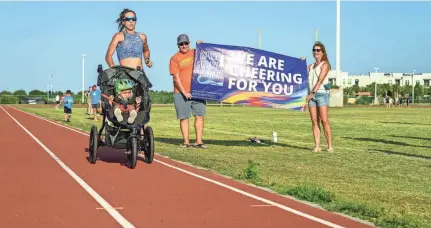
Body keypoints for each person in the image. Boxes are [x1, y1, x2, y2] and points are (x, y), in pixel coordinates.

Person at [169, 34, 207, 149]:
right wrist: (184, 92)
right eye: (181, 44)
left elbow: (208, 55)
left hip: (197, 91)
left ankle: (199, 141)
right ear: (178, 45)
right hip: (180, 93)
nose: (184, 45)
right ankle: (186, 142)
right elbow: (176, 78)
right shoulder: (174, 58)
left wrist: (202, 45)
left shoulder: (195, 52)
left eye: (186, 43)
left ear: (189, 43)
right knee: (184, 118)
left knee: (199, 116)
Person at [305, 41, 334, 153]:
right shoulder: (311, 66)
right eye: (314, 50)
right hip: (311, 95)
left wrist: (313, 93)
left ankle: (330, 146)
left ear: (322, 52)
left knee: (324, 120)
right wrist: (301, 62)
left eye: (318, 50)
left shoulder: (325, 64)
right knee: (314, 120)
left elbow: (320, 80)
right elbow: (300, 72)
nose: (315, 52)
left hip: (321, 94)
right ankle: (317, 146)